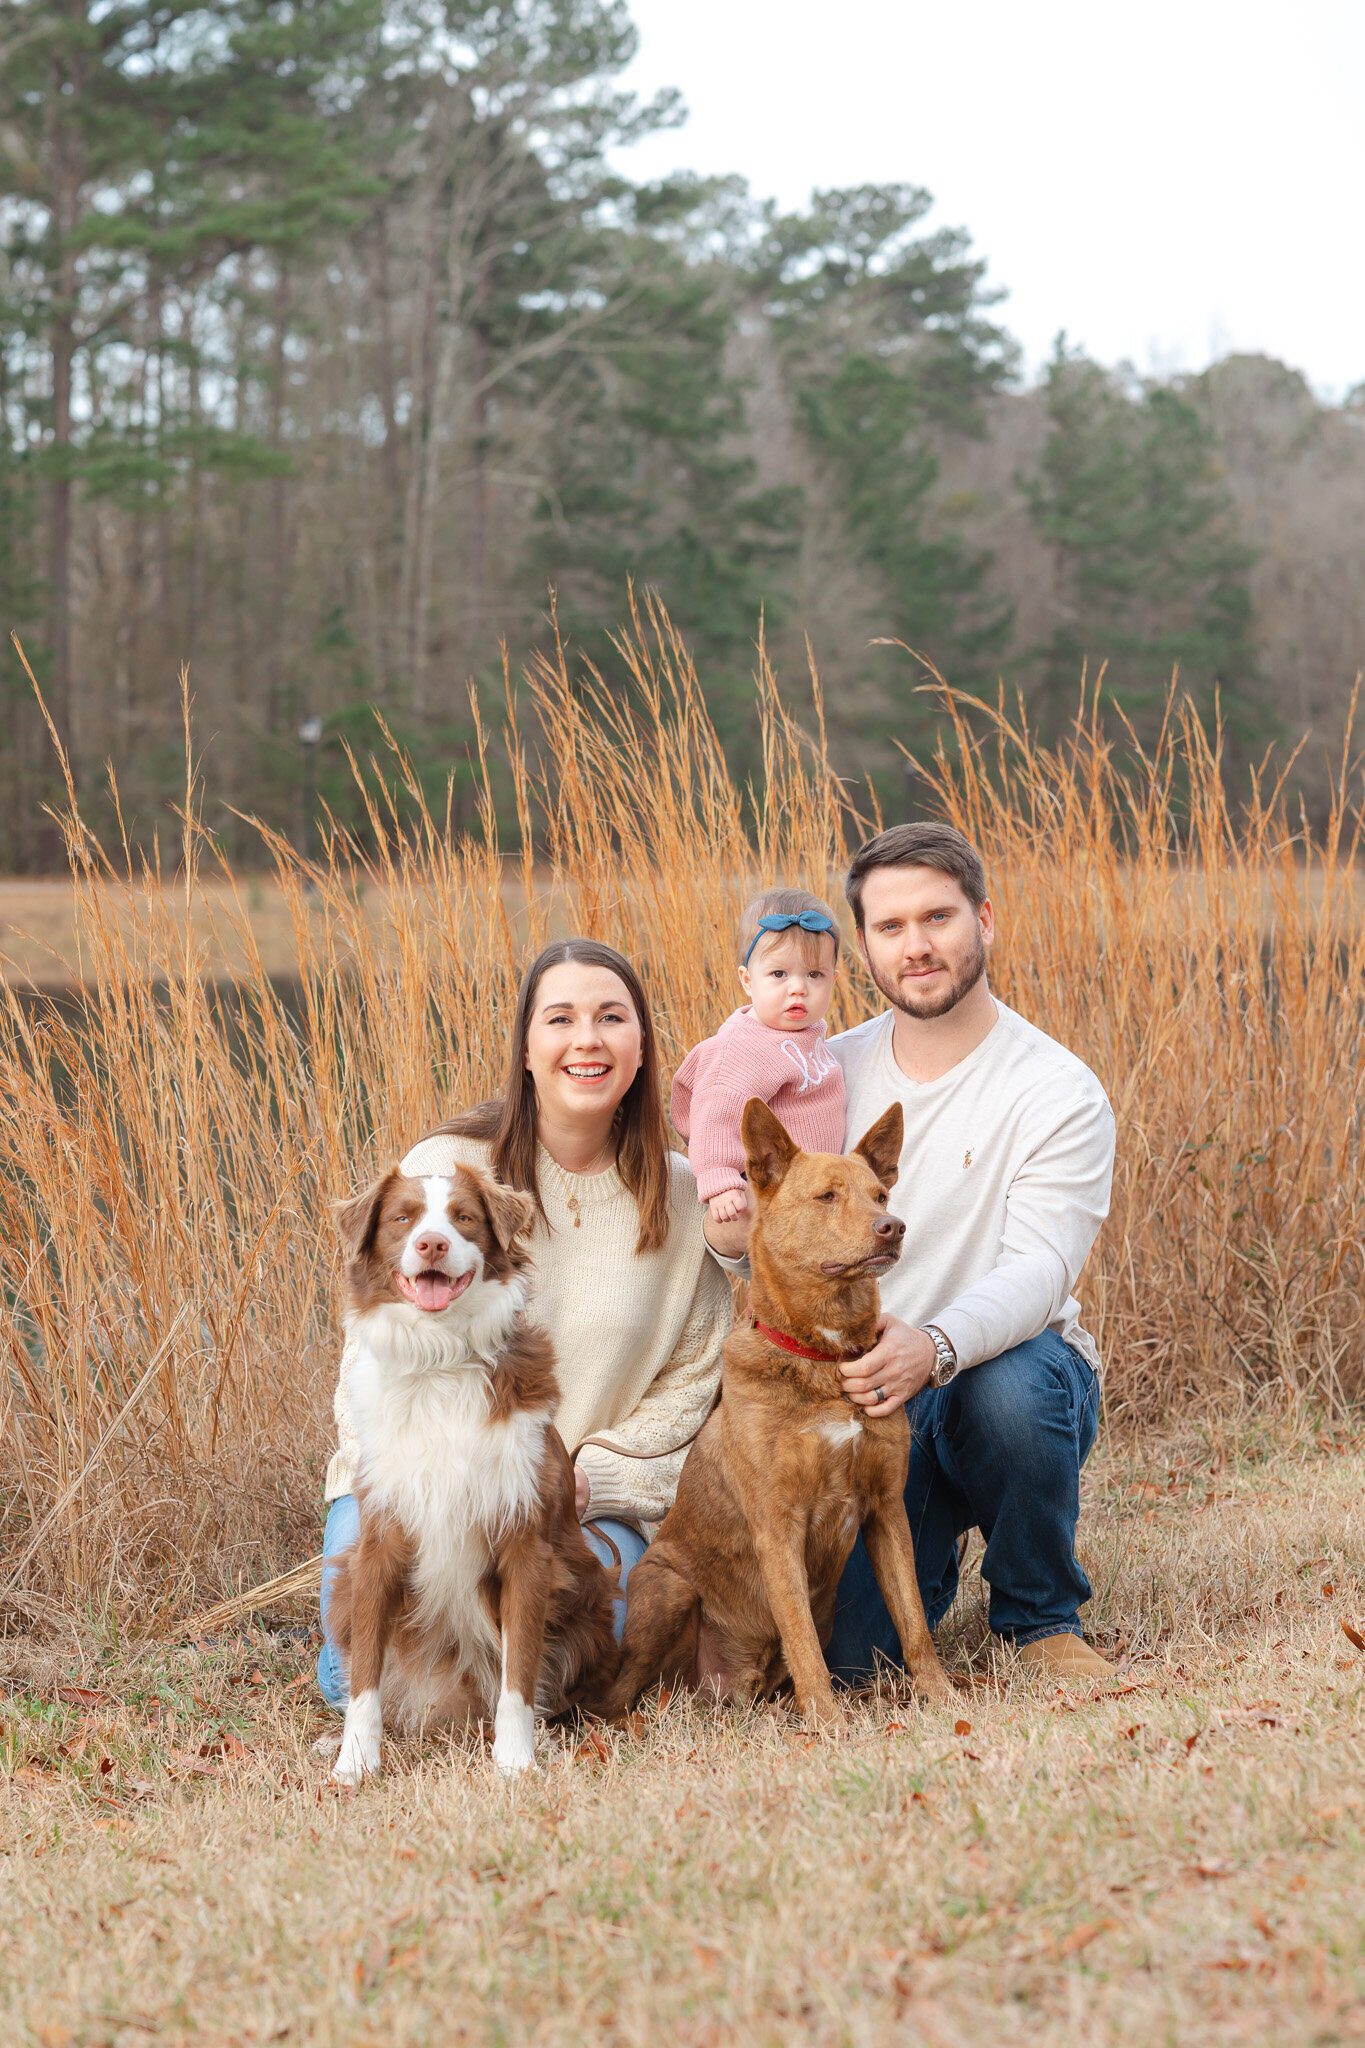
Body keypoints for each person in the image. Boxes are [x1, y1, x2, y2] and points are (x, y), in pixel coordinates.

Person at [703, 822, 1116, 1680]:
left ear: (985, 921)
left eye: (938, 917)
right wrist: (721, 1213)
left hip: (997, 1375)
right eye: (890, 927)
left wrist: (929, 1347)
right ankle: (922, 1566)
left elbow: (1041, 1271)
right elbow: (763, 1206)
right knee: (861, 1665)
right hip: (860, 1397)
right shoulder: (824, 1071)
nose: (916, 946)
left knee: (1012, 1390)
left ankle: (1039, 1619)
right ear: (862, 944)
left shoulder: (1052, 1087)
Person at [317, 938, 733, 1709]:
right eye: (560, 1018)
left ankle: (513, 1704)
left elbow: (693, 1382)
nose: (587, 1039)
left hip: (583, 1504)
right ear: (528, 1049)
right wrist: (408, 1475)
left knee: (572, 1650)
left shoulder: (684, 1194)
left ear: (641, 1048)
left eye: (611, 1018)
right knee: (347, 1678)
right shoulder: (444, 1166)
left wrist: (592, 1473)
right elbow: (363, 1365)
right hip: (409, 1480)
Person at [671, 886, 845, 1227]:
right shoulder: (744, 1046)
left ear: (833, 980)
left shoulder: (806, 1033)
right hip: (775, 1191)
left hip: (814, 1188)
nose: (798, 988)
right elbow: (716, 1112)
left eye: (814, 975)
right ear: (747, 980)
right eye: (779, 974)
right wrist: (720, 1181)